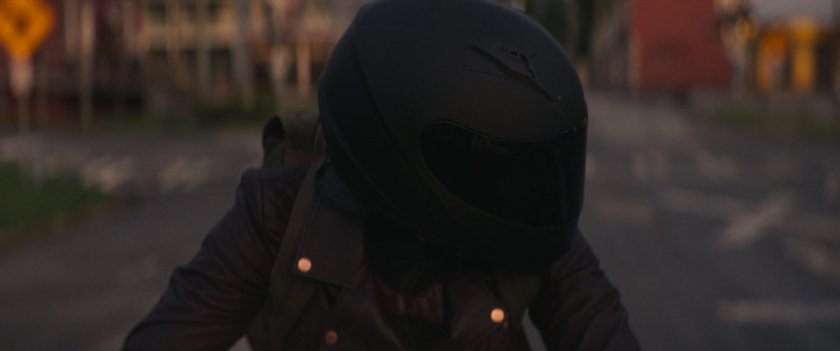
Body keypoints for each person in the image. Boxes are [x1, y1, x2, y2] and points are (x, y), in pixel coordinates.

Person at [123, 0, 639, 350]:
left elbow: (601, 330)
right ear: (406, 161)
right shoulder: (279, 215)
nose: (523, 188)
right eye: (492, 163)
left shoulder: (528, 229)